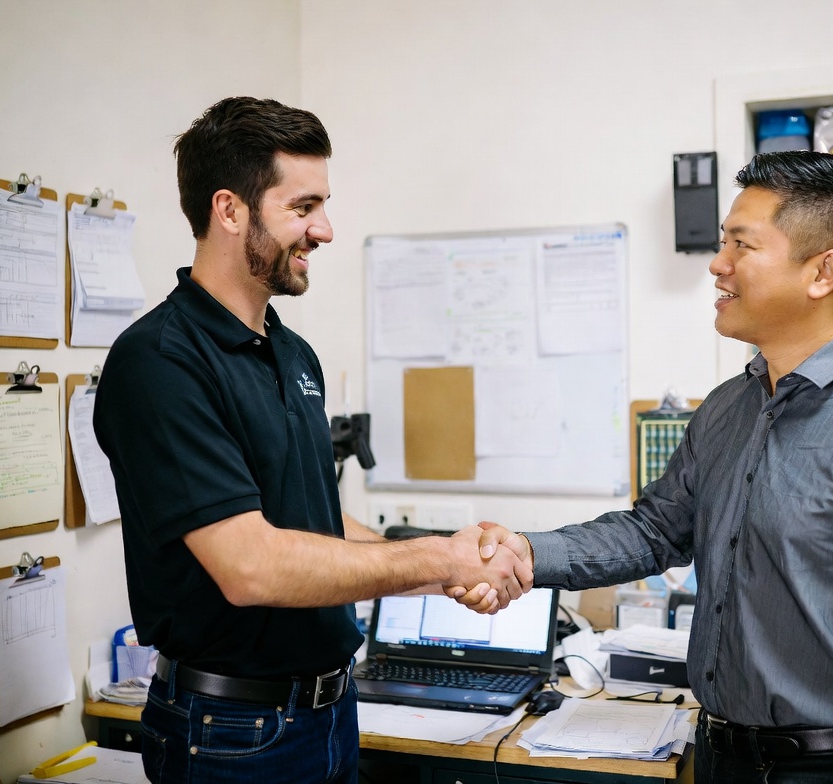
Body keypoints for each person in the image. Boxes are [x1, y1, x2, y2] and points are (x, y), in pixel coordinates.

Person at [461, 151, 833, 783]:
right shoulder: (731, 406)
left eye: (742, 244)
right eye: (721, 243)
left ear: (823, 271)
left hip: (829, 770)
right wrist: (526, 552)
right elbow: (655, 530)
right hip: (716, 756)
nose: (717, 264)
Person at [93, 97, 531, 784]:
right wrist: (439, 562)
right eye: (304, 207)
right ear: (230, 210)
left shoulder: (292, 354)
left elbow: (312, 524)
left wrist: (429, 560)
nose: (324, 230)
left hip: (328, 713)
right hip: (233, 733)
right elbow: (253, 567)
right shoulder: (161, 361)